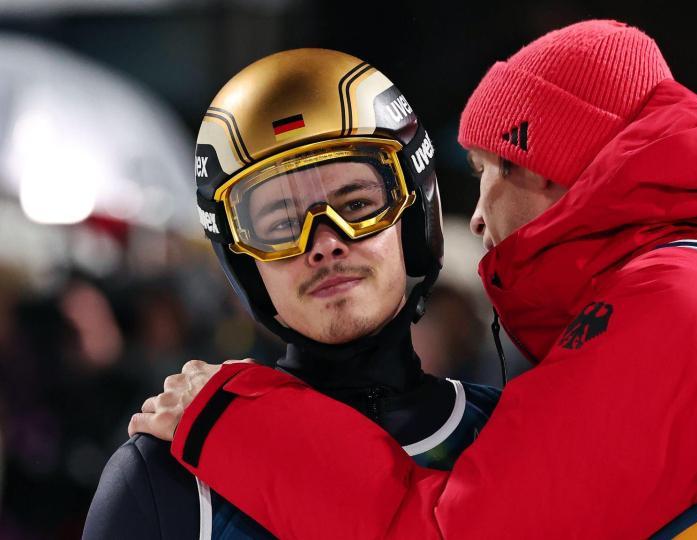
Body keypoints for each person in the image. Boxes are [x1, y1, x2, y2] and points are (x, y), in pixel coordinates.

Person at [132, 21, 697, 539]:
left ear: (551, 164)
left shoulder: (678, 300)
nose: (478, 216)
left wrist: (234, 420)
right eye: (280, 220)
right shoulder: (682, 290)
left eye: (490, 171)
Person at [82, 48, 500, 539]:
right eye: (281, 224)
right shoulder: (162, 479)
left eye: (357, 205)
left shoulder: (511, 433)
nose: (325, 243)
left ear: (412, 218)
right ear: (245, 263)